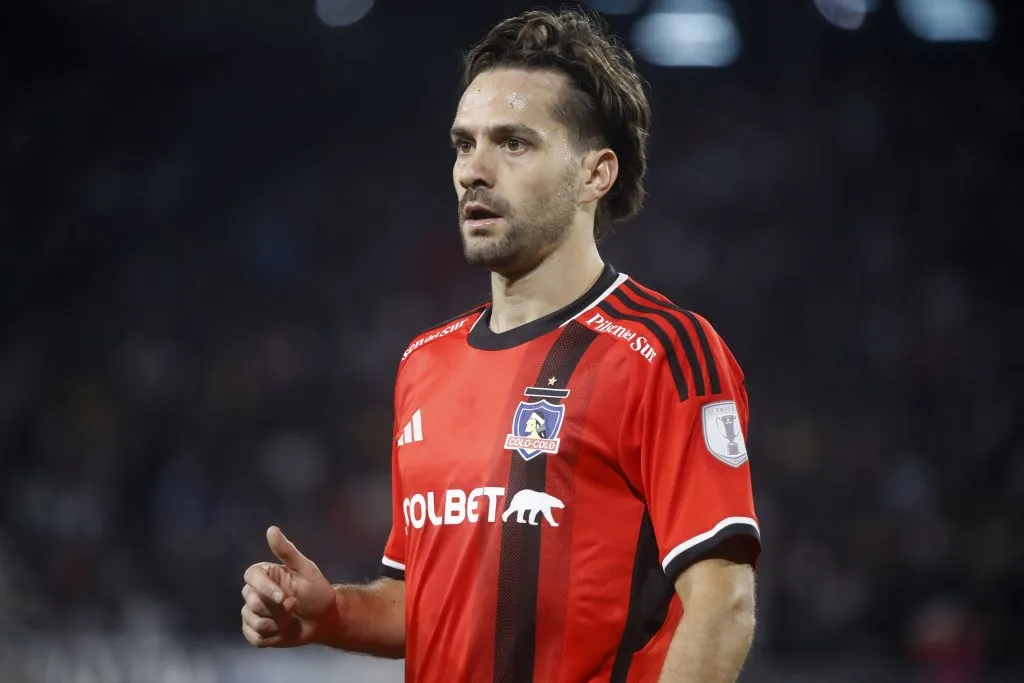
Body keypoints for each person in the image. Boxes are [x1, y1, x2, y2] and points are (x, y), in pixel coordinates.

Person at [241, 7, 761, 682]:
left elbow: (723, 602)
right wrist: (331, 611)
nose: (473, 171)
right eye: (464, 144)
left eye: (513, 143)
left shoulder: (663, 351)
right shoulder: (424, 361)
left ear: (594, 175)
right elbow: (424, 603)